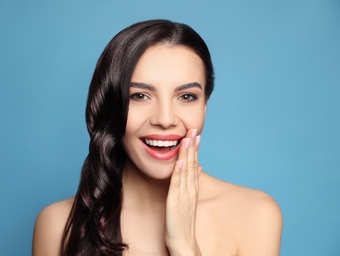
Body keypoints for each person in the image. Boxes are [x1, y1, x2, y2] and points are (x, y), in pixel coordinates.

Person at [32, 19, 282, 256]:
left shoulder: (254, 215)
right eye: (139, 96)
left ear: (204, 106)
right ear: (113, 107)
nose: (165, 119)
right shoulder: (57, 224)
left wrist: (184, 245)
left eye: (186, 97)